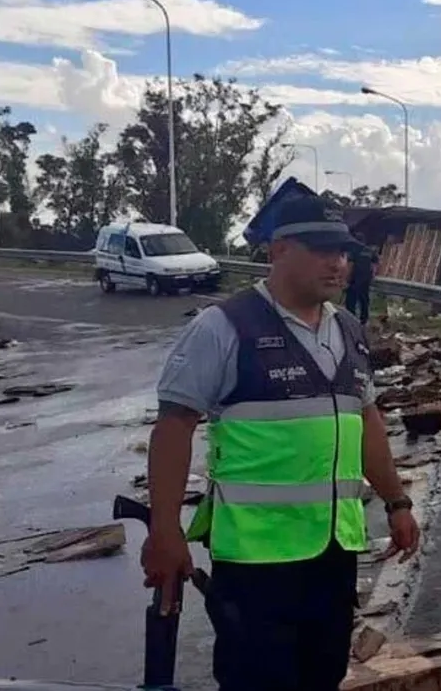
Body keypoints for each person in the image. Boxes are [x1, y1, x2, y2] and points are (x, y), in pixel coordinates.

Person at [143, 196, 420, 691]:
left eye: (344, 252)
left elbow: (367, 422)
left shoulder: (348, 330)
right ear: (278, 252)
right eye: (322, 250)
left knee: (323, 675)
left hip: (333, 553)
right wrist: (165, 529)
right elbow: (173, 427)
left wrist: (397, 502)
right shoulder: (225, 326)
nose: (338, 263)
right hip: (256, 561)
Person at [344, 237, 380, 325]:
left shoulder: (354, 250)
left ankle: (350, 319)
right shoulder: (369, 250)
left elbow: (350, 265)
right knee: (364, 299)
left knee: (351, 300)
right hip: (366, 279)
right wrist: (373, 275)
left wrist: (346, 279)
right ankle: (364, 320)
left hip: (355, 278)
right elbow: (375, 263)